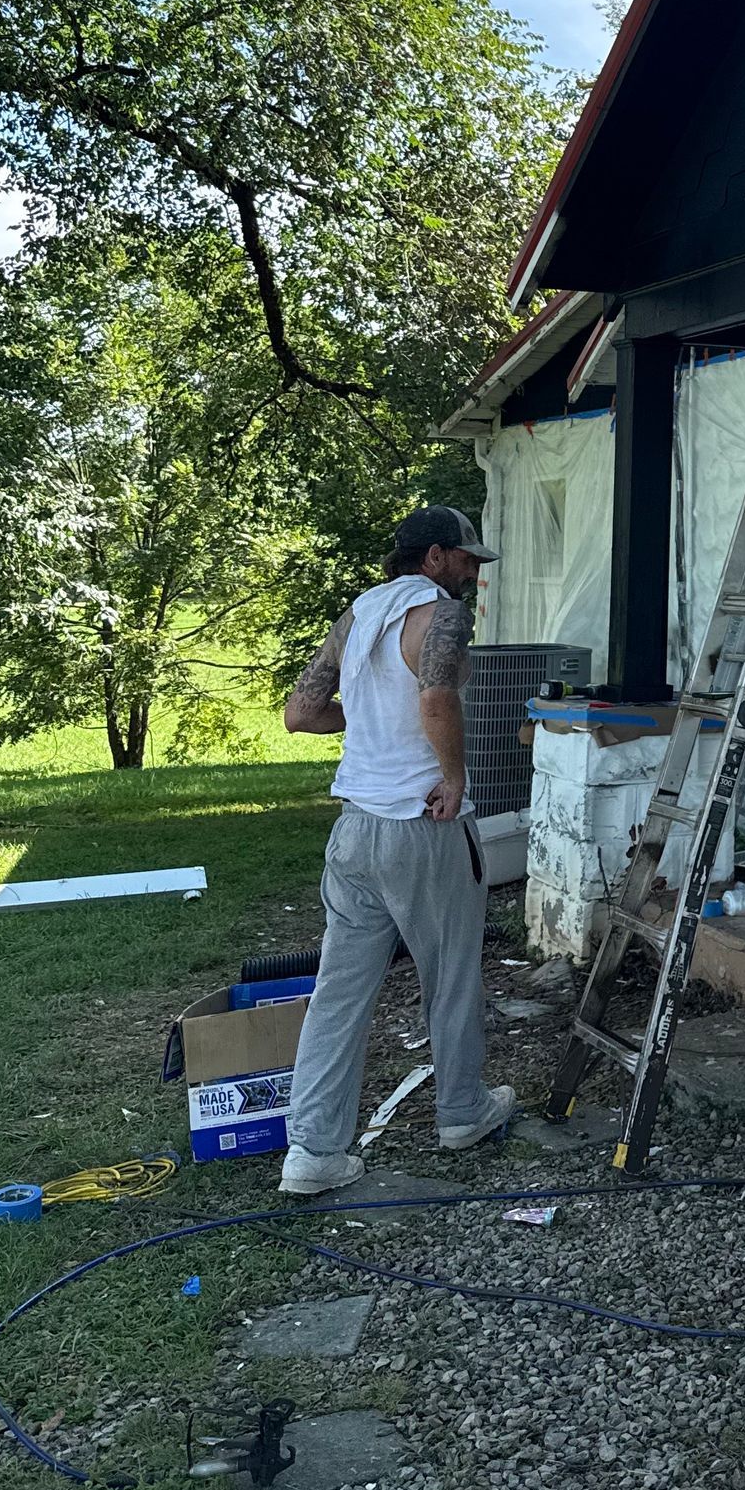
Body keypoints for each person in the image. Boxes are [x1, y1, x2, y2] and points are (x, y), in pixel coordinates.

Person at [277, 504, 515, 1195]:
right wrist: (454, 774)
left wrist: (375, 716)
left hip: (354, 832)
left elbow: (301, 714)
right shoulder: (439, 612)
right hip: (424, 827)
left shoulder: (359, 615)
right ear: (434, 557)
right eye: (466, 557)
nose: (473, 571)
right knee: (452, 976)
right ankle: (462, 1111)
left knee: (339, 993)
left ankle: (314, 1152)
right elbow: (437, 701)